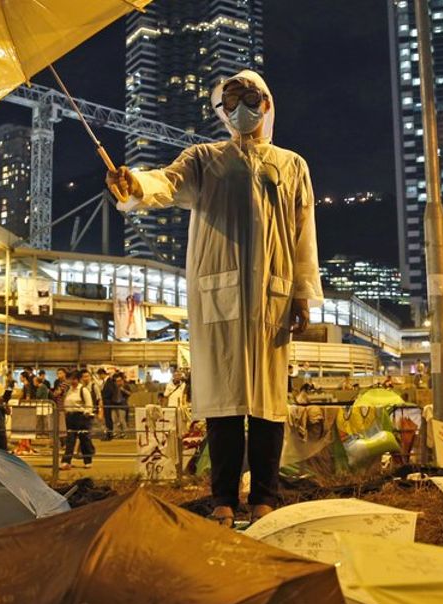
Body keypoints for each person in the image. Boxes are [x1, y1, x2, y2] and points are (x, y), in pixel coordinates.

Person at [108, 70, 321, 527]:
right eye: (230, 100)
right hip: (217, 294)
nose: (240, 106)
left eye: (248, 97)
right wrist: (134, 185)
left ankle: (265, 495)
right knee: (223, 400)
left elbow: (305, 235)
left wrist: (302, 293)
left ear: (266, 103)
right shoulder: (204, 159)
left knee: (267, 401)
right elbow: (164, 183)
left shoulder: (292, 165)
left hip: (273, 296)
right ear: (220, 111)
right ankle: (223, 496)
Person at [60, 370, 97, 469]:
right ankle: (66, 461)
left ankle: (87, 461)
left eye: (74, 379)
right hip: (70, 417)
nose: (72, 381)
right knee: (70, 440)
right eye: (70, 379)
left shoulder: (83, 390)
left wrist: (87, 414)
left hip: (81, 417)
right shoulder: (69, 390)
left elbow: (89, 404)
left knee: (84, 439)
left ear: (78, 379)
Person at [109, 372, 133, 437]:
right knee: (114, 420)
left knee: (122, 420)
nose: (118, 382)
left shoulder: (126, 386)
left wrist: (123, 390)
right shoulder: (113, 387)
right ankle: (116, 433)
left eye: (119, 381)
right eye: (117, 381)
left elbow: (130, 394)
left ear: (122, 380)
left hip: (122, 405)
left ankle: (125, 433)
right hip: (114, 405)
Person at [101, 369, 118, 440]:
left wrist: (106, 398)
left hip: (108, 402)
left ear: (102, 374)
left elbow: (111, 391)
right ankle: (109, 434)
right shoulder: (106, 381)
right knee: (107, 419)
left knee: (108, 419)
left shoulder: (109, 381)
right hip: (106, 402)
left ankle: (109, 434)